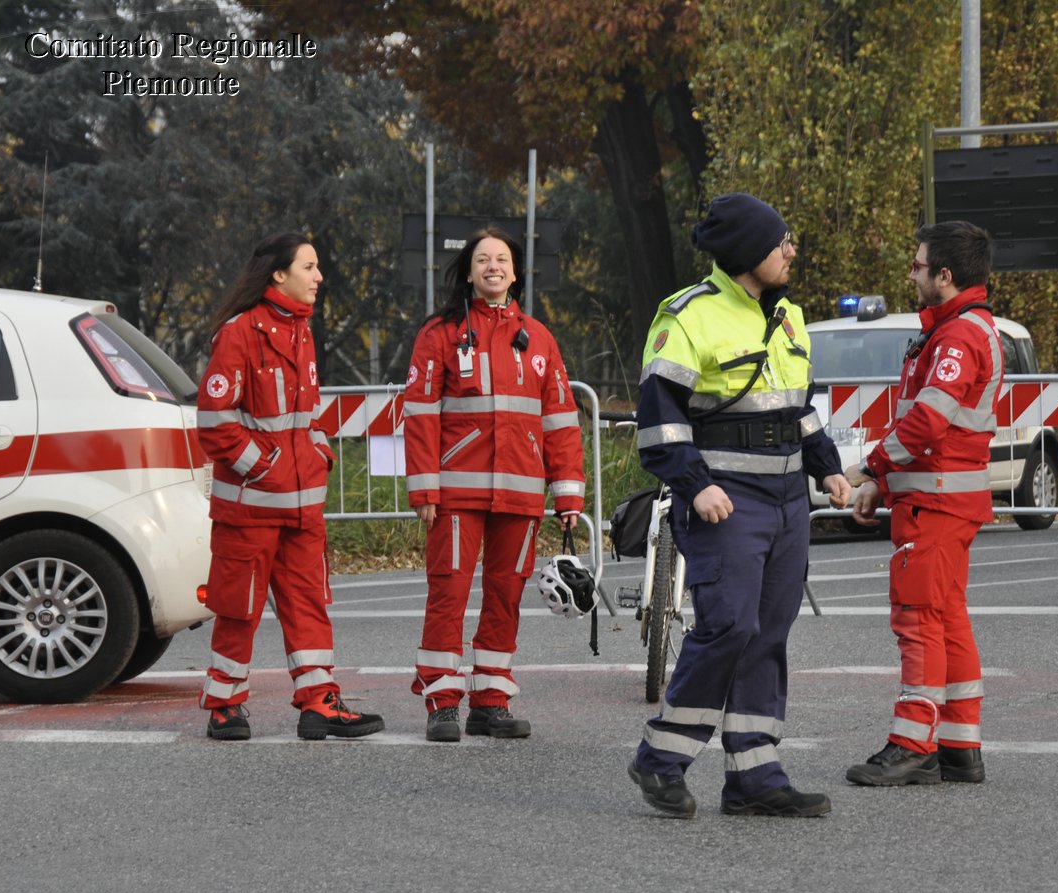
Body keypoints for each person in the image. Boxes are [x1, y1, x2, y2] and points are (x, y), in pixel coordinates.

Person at [628, 193, 853, 818]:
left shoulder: (788, 317)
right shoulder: (687, 316)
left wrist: (827, 469)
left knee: (769, 634)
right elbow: (659, 419)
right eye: (781, 240)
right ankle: (660, 759)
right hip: (724, 500)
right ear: (750, 249)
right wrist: (695, 484)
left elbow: (796, 406)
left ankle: (755, 776)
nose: (791, 250)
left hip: (786, 501)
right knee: (730, 626)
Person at [196, 232, 383, 741]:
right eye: (310, 266)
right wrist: (268, 468)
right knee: (239, 610)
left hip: (303, 509)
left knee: (309, 606)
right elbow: (215, 421)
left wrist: (317, 451)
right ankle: (225, 706)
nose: (319, 276)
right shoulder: (238, 333)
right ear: (279, 274)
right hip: (251, 510)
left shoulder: (301, 330)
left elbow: (306, 415)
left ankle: (318, 703)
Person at [403, 227, 586, 742]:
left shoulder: (540, 339)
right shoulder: (438, 334)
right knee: (450, 594)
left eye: (501, 259)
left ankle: (491, 699)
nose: (493, 266)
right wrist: (425, 490)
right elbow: (419, 417)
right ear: (468, 271)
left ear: (514, 271)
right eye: (482, 259)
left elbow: (560, 420)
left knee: (505, 596)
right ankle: (442, 700)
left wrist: (568, 493)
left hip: (521, 494)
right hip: (456, 495)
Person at [844, 220, 1001, 786]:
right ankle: (960, 745)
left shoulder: (957, 337)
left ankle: (913, 742)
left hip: (935, 506)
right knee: (947, 619)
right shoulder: (955, 331)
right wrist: (882, 487)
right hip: (940, 501)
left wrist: (868, 468)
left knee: (917, 622)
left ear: (945, 275)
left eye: (917, 266)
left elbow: (929, 422)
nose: (911, 274)